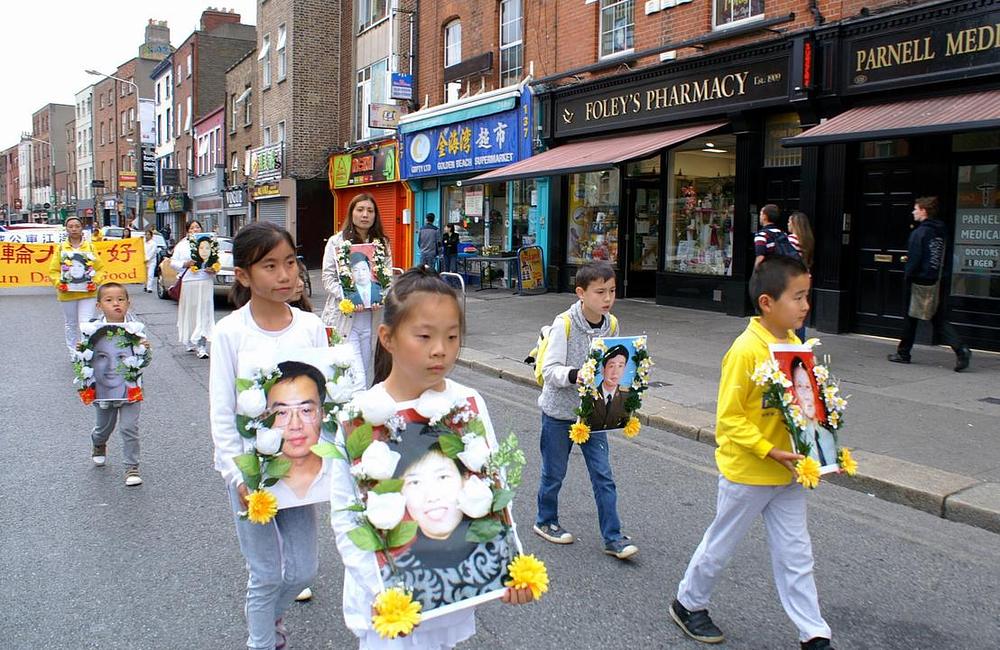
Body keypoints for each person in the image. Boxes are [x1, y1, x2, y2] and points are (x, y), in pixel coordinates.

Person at [330, 267, 534, 650]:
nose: (440, 349)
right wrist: (384, 594)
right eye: (424, 336)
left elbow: (490, 487)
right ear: (387, 338)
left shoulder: (467, 404)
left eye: (452, 337)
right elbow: (346, 517)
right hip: (390, 607)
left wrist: (506, 565)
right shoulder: (361, 416)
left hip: (449, 593)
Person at [670, 255, 833, 650]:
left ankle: (813, 632)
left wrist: (825, 449)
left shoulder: (796, 344)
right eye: (797, 297)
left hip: (789, 473)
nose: (806, 305)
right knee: (721, 545)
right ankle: (687, 602)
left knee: (797, 554)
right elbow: (729, 419)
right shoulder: (745, 350)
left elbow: (807, 406)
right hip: (748, 472)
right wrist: (768, 449)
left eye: (806, 296)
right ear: (766, 302)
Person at [210, 221, 329, 650]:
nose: (285, 275)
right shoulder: (230, 333)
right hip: (250, 475)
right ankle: (262, 640)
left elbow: (326, 399)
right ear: (243, 275)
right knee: (264, 573)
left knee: (302, 571)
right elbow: (222, 411)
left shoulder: (310, 327)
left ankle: (272, 616)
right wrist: (234, 475)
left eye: (291, 263)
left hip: (300, 469)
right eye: (270, 266)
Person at [533, 261, 637, 560]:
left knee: (603, 475)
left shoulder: (612, 324)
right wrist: (575, 374)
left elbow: (615, 365)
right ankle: (545, 520)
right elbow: (549, 370)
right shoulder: (564, 324)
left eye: (612, 291)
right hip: (559, 412)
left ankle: (613, 537)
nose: (607, 298)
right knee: (554, 473)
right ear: (581, 293)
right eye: (600, 292)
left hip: (594, 413)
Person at [888, 196, 971, 372]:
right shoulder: (941, 231)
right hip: (937, 279)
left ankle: (904, 353)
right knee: (936, 317)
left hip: (919, 281)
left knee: (913, 317)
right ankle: (960, 348)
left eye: (916, 209)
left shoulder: (920, 233)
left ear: (924, 211)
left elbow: (915, 259)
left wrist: (908, 275)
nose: (913, 212)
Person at [321, 193, 393, 389]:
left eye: (370, 211)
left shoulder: (382, 244)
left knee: (366, 374)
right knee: (357, 377)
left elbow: (387, 279)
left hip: (372, 320)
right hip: (344, 319)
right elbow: (328, 279)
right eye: (360, 210)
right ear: (351, 213)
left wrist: (382, 295)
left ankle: (353, 413)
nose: (365, 215)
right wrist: (350, 296)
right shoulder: (336, 242)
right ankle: (355, 416)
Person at [89, 283, 150, 487]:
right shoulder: (91, 330)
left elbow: (144, 361)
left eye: (120, 299)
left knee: (129, 427)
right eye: (109, 300)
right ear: (99, 305)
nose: (116, 304)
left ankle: (131, 467)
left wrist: (144, 350)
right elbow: (84, 359)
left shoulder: (135, 330)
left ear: (128, 303)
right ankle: (99, 442)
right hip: (104, 388)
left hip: (129, 385)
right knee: (104, 427)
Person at [49, 215, 105, 358]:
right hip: (67, 294)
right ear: (66, 229)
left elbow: (101, 268)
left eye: (77, 226)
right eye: (71, 226)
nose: (74, 229)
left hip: (87, 293)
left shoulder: (90, 247)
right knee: (71, 324)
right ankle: (73, 351)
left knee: (86, 324)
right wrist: (59, 283)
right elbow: (53, 270)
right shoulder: (61, 248)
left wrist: (95, 282)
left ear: (82, 229)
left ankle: (85, 351)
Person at [170, 220, 216, 358]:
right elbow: (173, 262)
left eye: (197, 227)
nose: (195, 229)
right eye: (192, 227)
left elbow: (215, 261)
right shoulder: (183, 245)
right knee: (190, 312)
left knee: (204, 312)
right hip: (189, 282)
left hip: (205, 281)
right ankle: (190, 339)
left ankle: (201, 345)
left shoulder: (208, 243)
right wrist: (186, 264)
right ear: (187, 230)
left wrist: (213, 269)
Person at [789, 356, 837, 468]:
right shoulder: (795, 436)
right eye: (800, 386)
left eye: (809, 387)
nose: (806, 396)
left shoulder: (826, 434)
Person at [587, 344, 631, 432]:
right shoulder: (589, 395)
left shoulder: (627, 396)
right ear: (603, 370)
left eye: (620, 366)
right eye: (611, 366)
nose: (615, 372)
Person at [787, 212, 815, 341]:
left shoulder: (791, 239)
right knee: (800, 312)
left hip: (792, 279)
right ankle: (800, 342)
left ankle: (790, 343)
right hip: (805, 278)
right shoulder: (807, 240)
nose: (788, 224)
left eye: (789, 221)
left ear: (794, 224)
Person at [753, 204, 800, 269]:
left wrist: (756, 273)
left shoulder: (762, 235)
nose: (760, 216)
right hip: (782, 271)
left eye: (761, 214)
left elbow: (760, 257)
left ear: (764, 216)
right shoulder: (783, 233)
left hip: (769, 272)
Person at [143, 226, 158, 293]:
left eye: (148, 234)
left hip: (151, 261)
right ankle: (145, 286)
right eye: (146, 234)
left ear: (151, 236)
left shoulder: (153, 244)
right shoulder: (143, 242)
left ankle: (149, 288)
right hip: (143, 261)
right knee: (145, 275)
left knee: (150, 274)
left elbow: (152, 252)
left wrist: (147, 258)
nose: (147, 236)